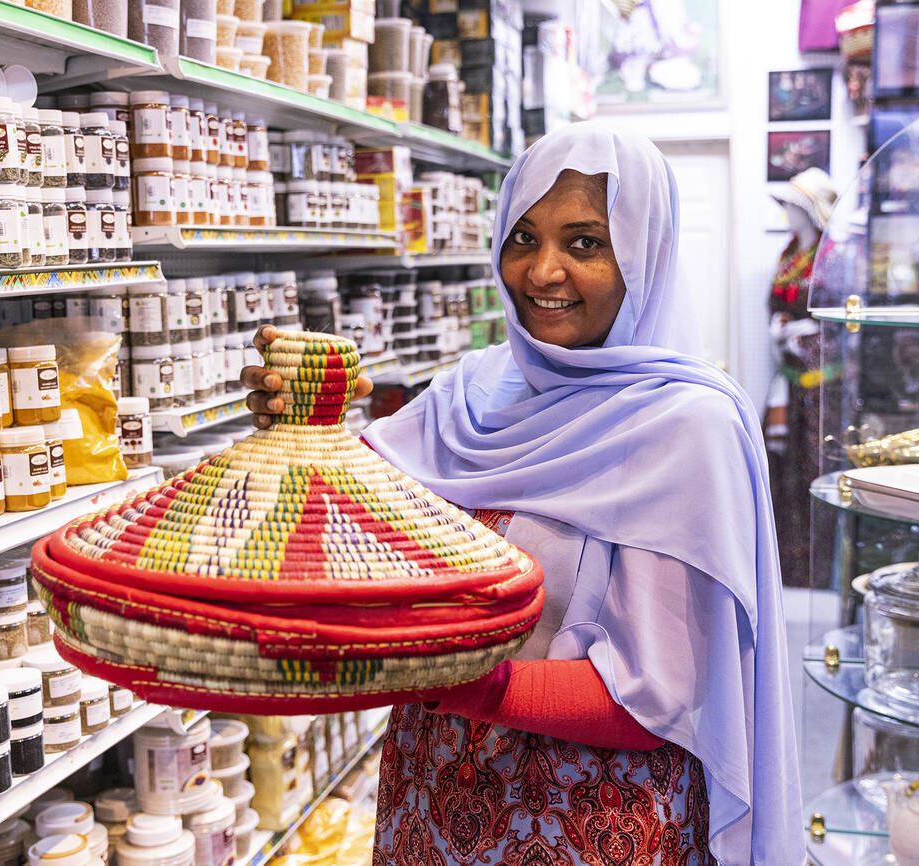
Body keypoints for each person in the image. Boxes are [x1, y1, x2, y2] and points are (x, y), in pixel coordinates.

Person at [242, 122, 803, 864]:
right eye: (523, 237)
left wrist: (473, 687)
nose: (541, 271)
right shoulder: (471, 393)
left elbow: (664, 700)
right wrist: (299, 425)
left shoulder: (688, 428)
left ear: (644, 254)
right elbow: (346, 519)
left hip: (592, 823)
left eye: (584, 243)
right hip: (431, 800)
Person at [763, 168, 838, 588]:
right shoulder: (789, 252)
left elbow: (841, 324)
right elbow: (776, 302)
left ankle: (816, 572)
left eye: (794, 205)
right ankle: (787, 570)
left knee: (815, 470)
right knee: (782, 470)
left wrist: (807, 338)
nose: (788, 213)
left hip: (821, 387)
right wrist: (780, 328)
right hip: (789, 381)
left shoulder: (833, 257)